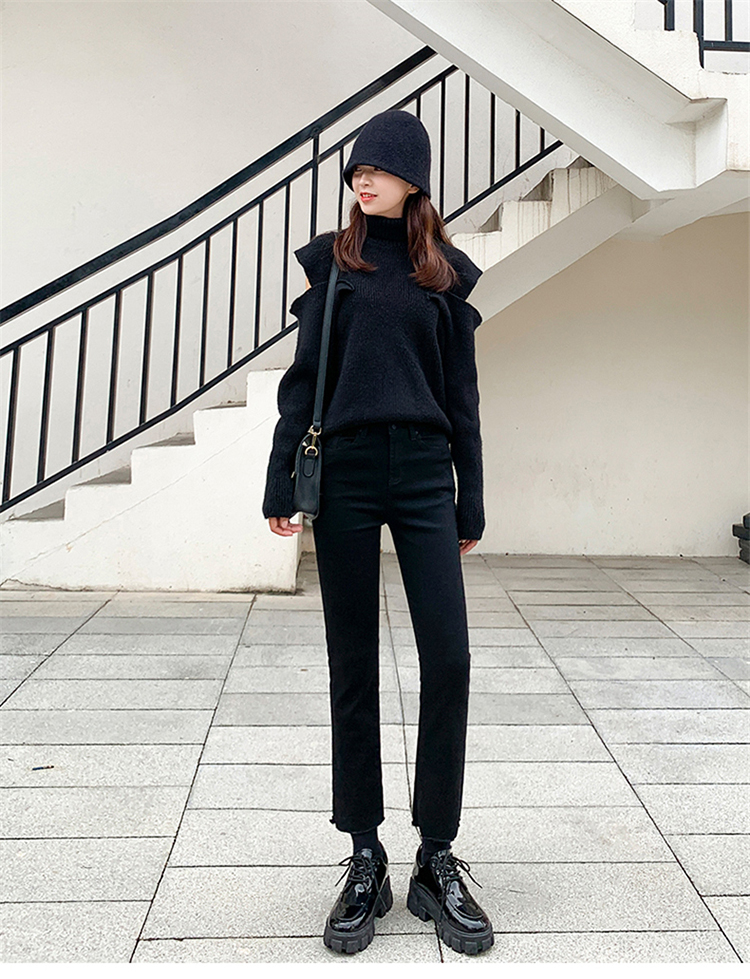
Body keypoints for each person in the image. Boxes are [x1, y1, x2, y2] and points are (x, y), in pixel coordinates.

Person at [262, 109, 494, 956]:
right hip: (349, 473)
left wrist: (471, 497)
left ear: (412, 180)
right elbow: (302, 383)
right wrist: (281, 476)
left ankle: (436, 855)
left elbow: (462, 396)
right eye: (356, 170)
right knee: (352, 663)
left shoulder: (443, 277)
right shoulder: (336, 265)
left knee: (450, 658)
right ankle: (366, 853)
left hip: (426, 473)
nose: (362, 179)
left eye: (379, 169)